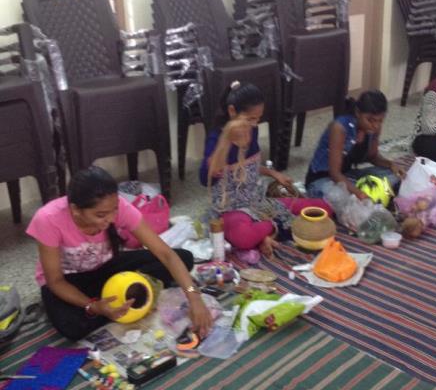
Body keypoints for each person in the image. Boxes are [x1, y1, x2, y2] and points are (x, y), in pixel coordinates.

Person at [27, 166, 213, 340]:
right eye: (100, 215)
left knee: (183, 258)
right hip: (70, 280)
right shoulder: (48, 219)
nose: (110, 219)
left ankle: (119, 298)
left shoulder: (119, 207)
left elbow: (166, 254)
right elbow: (55, 281)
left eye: (114, 210)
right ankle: (115, 300)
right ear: (76, 210)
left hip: (106, 268)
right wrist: (93, 306)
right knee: (72, 328)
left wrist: (194, 298)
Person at [200, 81, 332, 257]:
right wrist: (225, 142)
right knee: (243, 237)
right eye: (250, 119)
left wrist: (273, 173)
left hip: (256, 200)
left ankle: (265, 231)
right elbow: (205, 179)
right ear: (232, 111)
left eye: (258, 118)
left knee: (324, 208)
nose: (254, 124)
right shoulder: (216, 138)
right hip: (231, 208)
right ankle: (271, 228)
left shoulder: (252, 130)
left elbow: (248, 167)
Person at [305, 90, 405, 200]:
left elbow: (372, 157)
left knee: (395, 175)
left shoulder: (374, 128)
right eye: (370, 120)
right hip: (324, 179)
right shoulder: (339, 128)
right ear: (357, 112)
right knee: (339, 197)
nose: (375, 125)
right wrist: (359, 193)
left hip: (348, 175)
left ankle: (366, 195)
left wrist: (391, 164)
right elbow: (334, 173)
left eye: (380, 121)